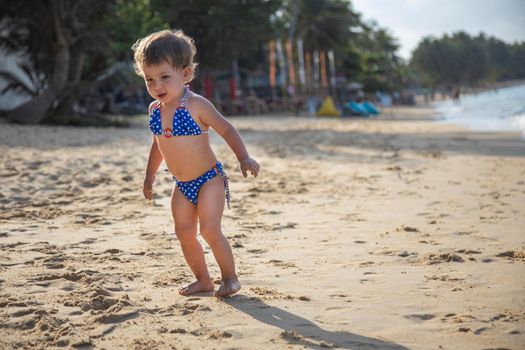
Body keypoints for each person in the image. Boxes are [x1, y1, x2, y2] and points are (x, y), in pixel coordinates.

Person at [132, 29, 260, 298]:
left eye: (165, 77)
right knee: (184, 232)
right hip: (182, 184)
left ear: (186, 74)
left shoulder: (197, 105)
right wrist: (149, 176)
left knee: (210, 229)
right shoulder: (155, 110)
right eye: (149, 80)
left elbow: (226, 129)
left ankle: (230, 278)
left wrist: (243, 157)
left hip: (208, 179)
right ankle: (203, 280)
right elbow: (158, 144)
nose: (157, 86)